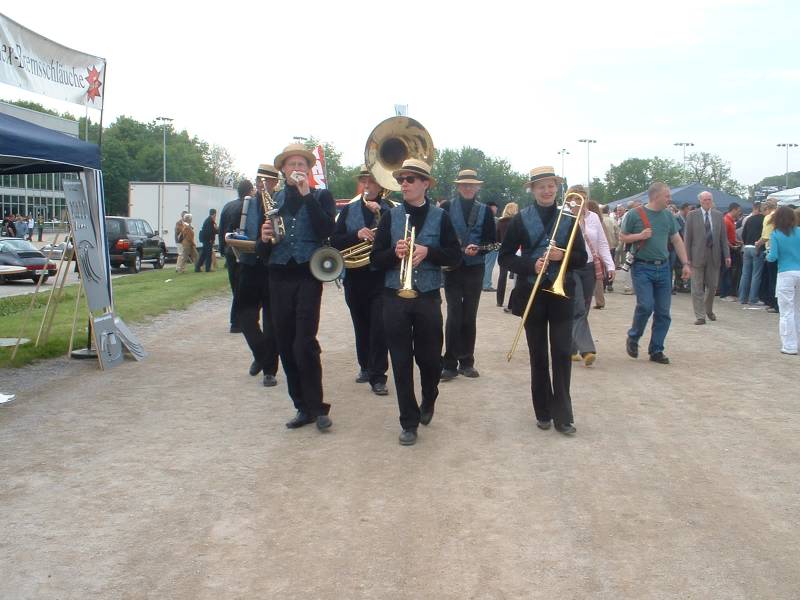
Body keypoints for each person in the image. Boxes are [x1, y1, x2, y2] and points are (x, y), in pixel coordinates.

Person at [369, 158, 461, 446]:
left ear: (425, 184)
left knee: (430, 359)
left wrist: (428, 251)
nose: (404, 184)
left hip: (427, 296)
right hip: (394, 295)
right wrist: (393, 254)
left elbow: (455, 256)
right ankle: (408, 421)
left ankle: (429, 396)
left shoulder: (441, 217)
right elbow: (375, 259)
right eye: (401, 180)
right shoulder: (390, 217)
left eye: (410, 179)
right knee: (400, 360)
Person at [498, 166, 588, 435]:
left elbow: (582, 258)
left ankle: (563, 415)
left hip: (562, 294)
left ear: (557, 188)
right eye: (541, 186)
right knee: (538, 355)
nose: (547, 191)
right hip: (532, 293)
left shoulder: (569, 218)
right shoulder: (520, 219)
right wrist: (530, 265)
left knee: (561, 353)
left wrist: (563, 257)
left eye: (551, 185)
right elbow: (505, 257)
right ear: (533, 190)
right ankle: (543, 411)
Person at [258, 143, 336, 432]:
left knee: (304, 342)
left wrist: (307, 196)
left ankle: (318, 407)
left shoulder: (320, 196)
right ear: (283, 170)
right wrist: (263, 238)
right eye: (292, 164)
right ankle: (302, 406)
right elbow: (261, 251)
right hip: (279, 275)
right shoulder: (273, 200)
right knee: (285, 342)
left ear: (308, 170)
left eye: (302, 164)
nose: (297, 169)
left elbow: (326, 230)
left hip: (307, 274)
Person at [331, 166, 392, 395]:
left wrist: (382, 216)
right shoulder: (348, 209)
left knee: (379, 328)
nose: (367, 186)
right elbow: (335, 240)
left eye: (372, 182)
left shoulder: (390, 210)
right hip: (355, 277)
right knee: (361, 325)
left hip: (380, 278)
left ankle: (379, 376)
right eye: (364, 181)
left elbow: (398, 239)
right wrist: (355, 235)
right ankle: (365, 366)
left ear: (381, 185)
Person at [620, 182, 691, 364]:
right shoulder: (634, 214)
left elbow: (676, 240)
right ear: (655, 196)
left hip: (664, 268)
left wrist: (685, 263)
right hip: (642, 267)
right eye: (667, 196)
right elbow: (622, 237)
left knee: (663, 312)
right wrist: (639, 236)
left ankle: (656, 349)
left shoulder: (668, 216)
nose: (670, 199)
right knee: (645, 305)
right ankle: (633, 337)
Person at [439, 169, 496, 380]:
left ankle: (467, 362)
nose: (468, 187)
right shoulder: (446, 208)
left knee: (469, 315)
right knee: (454, 315)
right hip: (452, 268)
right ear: (458, 186)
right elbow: (439, 237)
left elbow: (492, 241)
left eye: (472, 184)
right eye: (464, 184)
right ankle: (449, 363)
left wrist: (479, 249)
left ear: (477, 187)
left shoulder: (485, 211)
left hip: (475, 268)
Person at [235, 167, 281, 387]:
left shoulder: (281, 203)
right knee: (244, 316)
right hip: (250, 265)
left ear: (275, 183)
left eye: (267, 181)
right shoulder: (248, 204)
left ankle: (269, 371)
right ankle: (262, 355)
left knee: (271, 322)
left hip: (272, 268)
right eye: (259, 180)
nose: (262, 184)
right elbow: (235, 231)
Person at [569, 191, 615, 366]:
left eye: (582, 198)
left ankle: (571, 346)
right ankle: (587, 349)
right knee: (578, 307)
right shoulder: (564, 216)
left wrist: (610, 265)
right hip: (571, 267)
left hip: (589, 267)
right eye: (574, 198)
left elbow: (601, 243)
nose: (579, 201)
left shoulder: (594, 217)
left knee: (585, 307)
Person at [684, 191, 729, 325]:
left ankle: (708, 309)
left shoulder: (718, 215)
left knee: (713, 286)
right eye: (705, 200)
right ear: (700, 201)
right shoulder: (692, 215)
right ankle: (700, 316)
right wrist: (687, 258)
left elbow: (723, 237)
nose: (707, 202)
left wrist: (727, 255)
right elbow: (687, 238)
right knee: (697, 287)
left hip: (714, 255)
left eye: (709, 199)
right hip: (697, 255)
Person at [766, 206, 800, 354]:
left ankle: (789, 346)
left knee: (786, 311)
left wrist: (767, 254)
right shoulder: (799, 231)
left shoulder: (775, 234)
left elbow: (773, 257)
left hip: (786, 273)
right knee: (797, 310)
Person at [218, 182, 248, 333]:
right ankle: (237, 321)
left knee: (235, 285)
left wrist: (222, 249)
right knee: (242, 286)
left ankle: (237, 320)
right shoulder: (248, 206)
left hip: (229, 249)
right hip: (243, 249)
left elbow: (221, 229)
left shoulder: (227, 206)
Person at [739, 202, 766, 306]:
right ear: (762, 209)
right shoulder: (764, 219)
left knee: (745, 274)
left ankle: (742, 298)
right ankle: (753, 298)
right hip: (757, 248)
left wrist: (746, 243)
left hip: (747, 248)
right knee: (756, 275)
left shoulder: (749, 219)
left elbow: (743, 234)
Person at [496, 202, 519, 310]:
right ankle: (514, 302)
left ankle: (499, 301)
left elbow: (496, 237)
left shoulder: (500, 222)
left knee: (502, 276)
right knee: (517, 277)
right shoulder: (517, 221)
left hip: (503, 250)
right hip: (515, 250)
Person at [718, 202, 742, 300]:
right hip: (727, 249)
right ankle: (724, 293)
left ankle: (727, 292)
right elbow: (723, 237)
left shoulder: (731, 221)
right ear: (734, 210)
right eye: (738, 211)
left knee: (729, 270)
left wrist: (736, 241)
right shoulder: (726, 221)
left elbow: (729, 236)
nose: (739, 213)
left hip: (730, 247)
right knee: (726, 270)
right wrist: (732, 246)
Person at [759, 199, 779, 312]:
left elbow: (766, 237)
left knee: (771, 279)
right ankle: (778, 304)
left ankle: (773, 304)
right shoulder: (781, 216)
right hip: (782, 252)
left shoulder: (768, 218)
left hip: (771, 250)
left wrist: (758, 244)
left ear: (766, 209)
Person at [482, 201, 499, 291]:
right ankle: (486, 284)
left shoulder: (481, 218)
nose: (496, 210)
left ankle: (482, 283)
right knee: (489, 265)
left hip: (482, 245)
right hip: (492, 245)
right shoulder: (494, 220)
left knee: (484, 264)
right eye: (495, 208)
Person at [195, 208, 218, 273]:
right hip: (207, 240)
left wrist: (217, 230)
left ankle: (197, 268)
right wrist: (211, 239)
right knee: (208, 254)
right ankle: (208, 268)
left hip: (205, 239)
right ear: (214, 214)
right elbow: (209, 231)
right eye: (215, 214)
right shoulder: (210, 221)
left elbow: (211, 230)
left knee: (203, 255)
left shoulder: (208, 220)